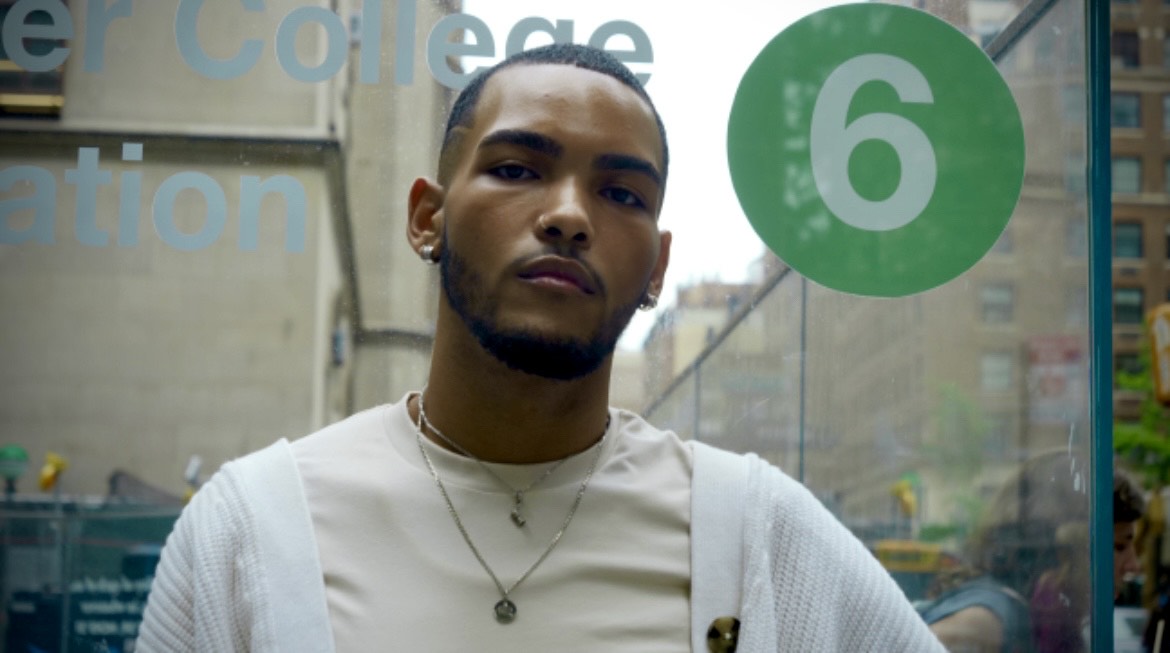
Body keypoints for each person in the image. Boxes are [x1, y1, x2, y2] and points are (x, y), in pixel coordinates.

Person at [136, 44, 944, 652]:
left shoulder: (758, 535)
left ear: (658, 265)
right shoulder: (245, 533)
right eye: (518, 167)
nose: (569, 215)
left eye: (621, 192)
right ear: (428, 217)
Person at [921, 452, 1144, 653]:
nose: (1133, 565)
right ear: (1064, 549)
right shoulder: (988, 622)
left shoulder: (1043, 623)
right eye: (1119, 547)